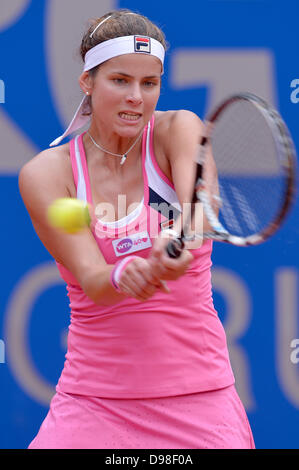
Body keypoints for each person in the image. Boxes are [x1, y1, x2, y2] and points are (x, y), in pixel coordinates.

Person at [19, 9, 255, 449]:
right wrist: (121, 275)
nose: (137, 98)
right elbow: (92, 279)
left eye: (150, 83)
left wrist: (179, 235)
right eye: (120, 81)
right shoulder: (46, 174)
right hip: (93, 402)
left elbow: (201, 207)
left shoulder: (178, 130)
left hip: (199, 401)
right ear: (87, 82)